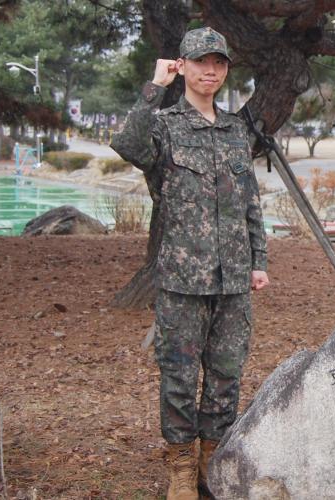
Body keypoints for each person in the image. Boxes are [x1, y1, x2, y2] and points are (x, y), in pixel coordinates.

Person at [111, 27, 269, 500]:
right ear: (182, 65)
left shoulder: (236, 128)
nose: (211, 71)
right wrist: (153, 88)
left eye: (219, 63)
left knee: (226, 374)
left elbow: (251, 204)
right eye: (201, 62)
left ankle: (211, 459)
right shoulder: (163, 125)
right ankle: (180, 466)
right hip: (183, 279)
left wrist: (258, 260)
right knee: (178, 376)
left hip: (234, 279)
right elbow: (128, 145)